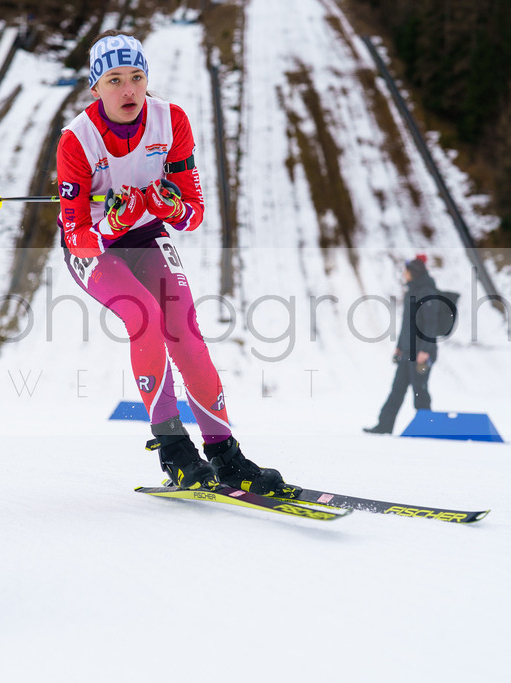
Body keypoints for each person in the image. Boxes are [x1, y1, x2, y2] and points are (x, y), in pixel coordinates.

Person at [56, 31, 294, 496]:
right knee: (142, 315)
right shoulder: (76, 140)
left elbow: (193, 213)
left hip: (146, 235)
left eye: (138, 77)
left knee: (184, 329)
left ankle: (226, 455)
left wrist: (166, 207)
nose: (129, 90)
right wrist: (111, 224)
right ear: (95, 88)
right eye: (115, 80)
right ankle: (175, 451)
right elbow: (77, 236)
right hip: (97, 249)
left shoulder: (172, 120)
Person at [364, 255, 439, 434]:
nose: (404, 274)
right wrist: (399, 346)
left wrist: (425, 351)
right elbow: (407, 325)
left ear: (414, 272)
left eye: (406, 271)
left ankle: (427, 428)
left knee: (419, 391)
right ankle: (384, 426)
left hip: (421, 353)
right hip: (407, 351)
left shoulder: (427, 292)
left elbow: (431, 326)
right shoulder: (411, 292)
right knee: (397, 390)